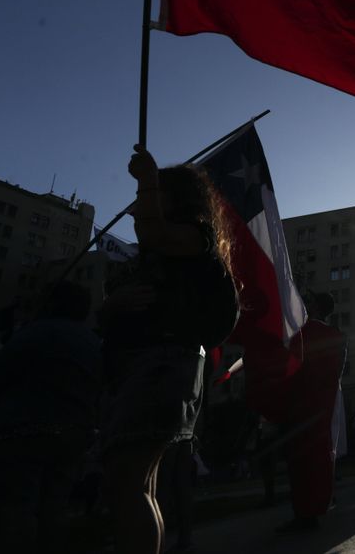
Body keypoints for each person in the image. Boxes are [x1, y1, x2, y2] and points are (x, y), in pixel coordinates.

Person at [99, 147, 239, 554]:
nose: (143, 207)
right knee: (138, 484)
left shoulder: (194, 236)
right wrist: (112, 306)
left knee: (127, 481)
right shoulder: (169, 255)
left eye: (158, 194)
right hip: (150, 366)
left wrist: (146, 180)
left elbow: (154, 233)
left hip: (161, 366)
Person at [0, 280, 102, 553]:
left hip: (24, 430)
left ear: (51, 303)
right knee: (54, 509)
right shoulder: (93, 342)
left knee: (18, 506)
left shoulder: (37, 331)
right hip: (73, 435)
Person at [276, 292, 348, 533]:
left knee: (301, 461)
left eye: (308, 302)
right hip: (324, 406)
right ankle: (315, 507)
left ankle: (304, 513)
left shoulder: (303, 333)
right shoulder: (336, 336)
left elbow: (290, 366)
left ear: (315, 307)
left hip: (301, 405)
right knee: (318, 457)